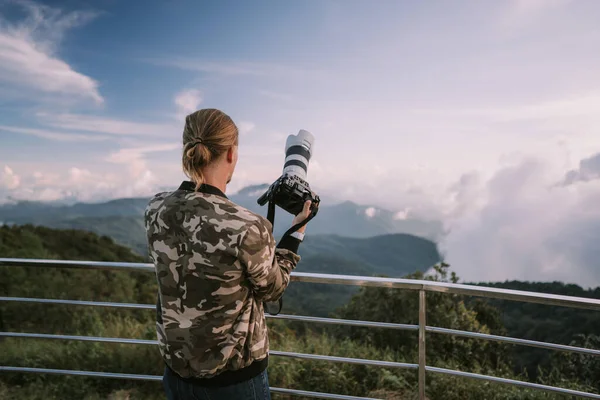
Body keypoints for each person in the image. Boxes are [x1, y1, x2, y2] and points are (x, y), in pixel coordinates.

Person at [144, 108, 312, 400]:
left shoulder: (155, 209)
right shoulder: (246, 226)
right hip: (234, 379)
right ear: (232, 154)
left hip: (177, 370)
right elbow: (272, 288)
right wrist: (296, 232)